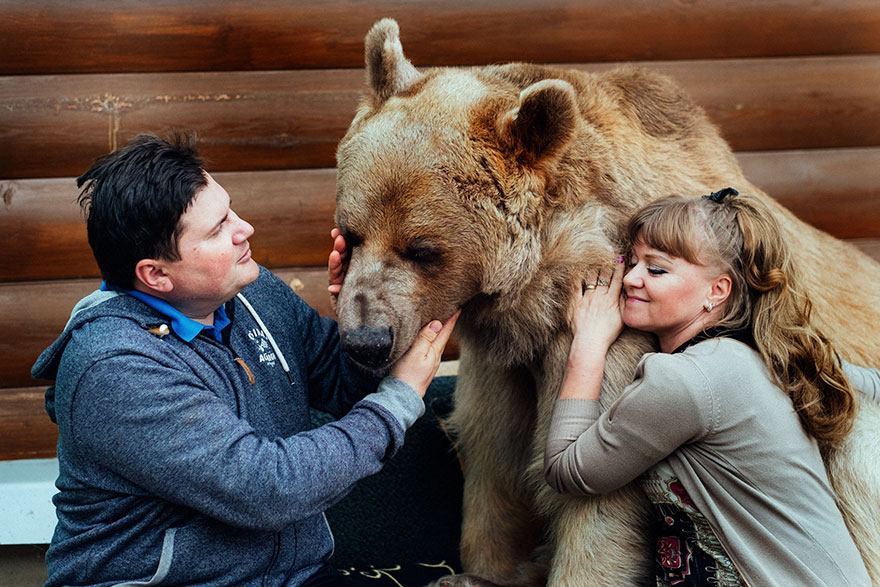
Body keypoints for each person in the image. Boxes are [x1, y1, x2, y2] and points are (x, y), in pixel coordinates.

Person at [31, 133, 459, 587]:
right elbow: (269, 489)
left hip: (291, 577)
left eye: (230, 210)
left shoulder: (253, 292)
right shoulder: (115, 368)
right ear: (155, 274)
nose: (244, 229)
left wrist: (359, 322)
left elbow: (341, 385)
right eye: (218, 229)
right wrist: (399, 399)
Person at [543, 188, 879, 586]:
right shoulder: (765, 353)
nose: (630, 279)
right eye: (630, 262)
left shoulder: (688, 379)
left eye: (656, 270)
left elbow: (568, 470)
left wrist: (588, 342)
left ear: (717, 291)